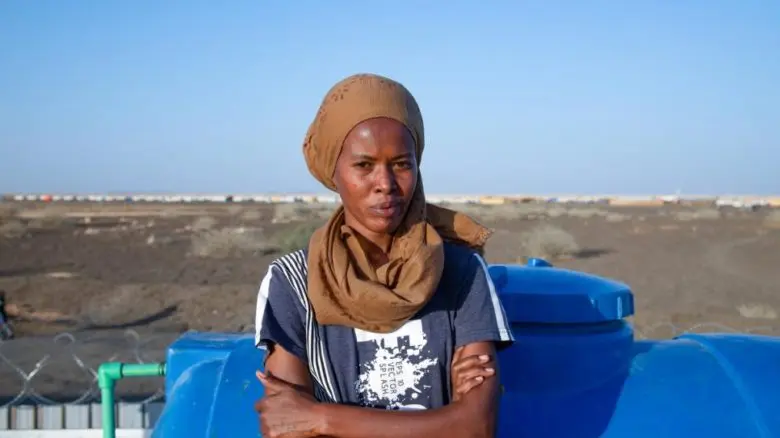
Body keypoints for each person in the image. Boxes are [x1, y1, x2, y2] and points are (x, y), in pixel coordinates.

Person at [254, 73, 514, 438]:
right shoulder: (295, 282)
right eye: (364, 165)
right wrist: (446, 421)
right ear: (335, 171)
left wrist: (322, 418)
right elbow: (286, 427)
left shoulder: (460, 272)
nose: (386, 184)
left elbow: (476, 427)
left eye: (401, 164)